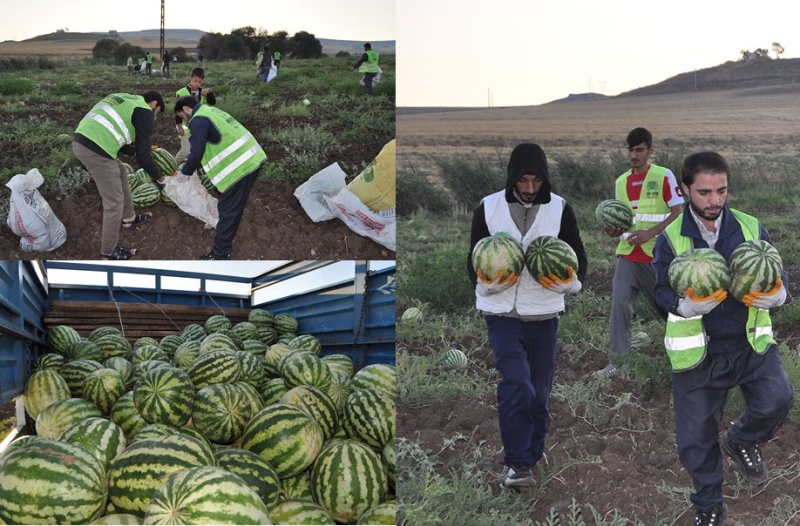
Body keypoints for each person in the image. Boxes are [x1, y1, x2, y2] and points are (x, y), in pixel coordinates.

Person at [652, 151, 793, 526]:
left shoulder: (749, 226)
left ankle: (742, 440)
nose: (714, 200)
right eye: (704, 192)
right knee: (695, 440)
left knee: (777, 400)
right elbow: (660, 291)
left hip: (748, 344)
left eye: (721, 190)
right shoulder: (669, 237)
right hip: (699, 352)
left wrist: (780, 294)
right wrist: (684, 306)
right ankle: (709, 505)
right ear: (685, 190)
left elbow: (776, 270)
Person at [467, 143, 588, 490]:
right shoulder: (488, 207)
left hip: (544, 313)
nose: (530, 188)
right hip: (501, 313)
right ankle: (517, 463)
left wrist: (571, 283)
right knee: (516, 384)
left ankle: (531, 458)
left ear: (544, 178)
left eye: (536, 180)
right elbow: (473, 258)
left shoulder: (561, 209)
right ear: (512, 178)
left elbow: (578, 257)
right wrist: (483, 284)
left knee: (539, 393)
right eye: (523, 180)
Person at [595, 127, 683, 378]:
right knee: (620, 305)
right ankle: (617, 362)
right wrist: (613, 231)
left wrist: (650, 233)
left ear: (650, 151)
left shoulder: (664, 176)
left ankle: (700, 342)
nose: (634, 155)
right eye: (631, 150)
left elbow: (678, 213)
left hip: (656, 255)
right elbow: (622, 219)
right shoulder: (620, 182)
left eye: (639, 150)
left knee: (669, 308)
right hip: (628, 254)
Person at [72, 92, 169, 260]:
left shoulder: (127, 99)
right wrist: (161, 178)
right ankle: (108, 253)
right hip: (96, 149)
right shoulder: (145, 111)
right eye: (158, 112)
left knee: (121, 170)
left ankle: (129, 218)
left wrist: (140, 149)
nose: (155, 118)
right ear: (154, 104)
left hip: (85, 140)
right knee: (114, 202)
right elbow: (143, 158)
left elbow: (119, 138)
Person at [175, 95, 267, 260]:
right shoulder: (210, 111)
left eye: (182, 116)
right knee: (230, 205)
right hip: (252, 159)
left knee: (228, 210)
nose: (184, 121)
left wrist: (185, 173)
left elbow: (196, 153)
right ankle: (223, 247)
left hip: (241, 167)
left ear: (187, 109)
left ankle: (221, 254)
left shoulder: (198, 119)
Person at [174, 68, 217, 165]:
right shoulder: (181, 92)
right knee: (185, 150)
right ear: (190, 79)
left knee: (197, 149)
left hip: (198, 126)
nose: (197, 84)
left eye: (200, 82)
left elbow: (212, 103)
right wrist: (179, 126)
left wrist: (210, 92)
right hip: (185, 127)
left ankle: (193, 168)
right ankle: (172, 166)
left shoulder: (203, 93)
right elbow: (177, 111)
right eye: (195, 81)